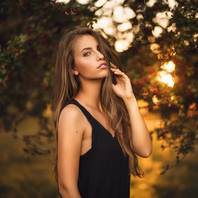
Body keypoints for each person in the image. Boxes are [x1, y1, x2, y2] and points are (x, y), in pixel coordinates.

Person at [52, 27, 152, 198]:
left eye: (99, 49)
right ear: (73, 68)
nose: (100, 56)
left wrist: (129, 99)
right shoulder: (72, 114)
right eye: (87, 53)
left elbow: (144, 150)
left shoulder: (114, 109)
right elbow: (67, 189)